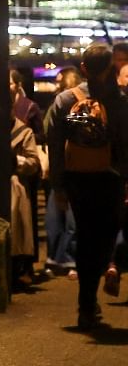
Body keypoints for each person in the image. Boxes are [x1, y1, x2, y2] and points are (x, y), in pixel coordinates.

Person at [46, 45, 128, 330]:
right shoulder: (119, 101)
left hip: (76, 178)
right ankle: (92, 294)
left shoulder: (65, 99)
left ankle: (86, 303)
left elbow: (54, 145)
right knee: (104, 238)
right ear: (110, 69)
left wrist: (58, 184)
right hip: (110, 178)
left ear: (83, 68)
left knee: (85, 236)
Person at [43, 67, 81, 277]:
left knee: (56, 214)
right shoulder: (84, 102)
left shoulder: (58, 104)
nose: (56, 83)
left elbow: (50, 136)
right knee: (69, 217)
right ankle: (68, 258)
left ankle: (54, 258)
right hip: (78, 164)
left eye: (60, 80)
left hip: (61, 165)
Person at [9, 96, 42, 290]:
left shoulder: (24, 131)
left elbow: (33, 162)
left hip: (16, 185)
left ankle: (19, 268)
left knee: (17, 231)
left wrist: (16, 161)